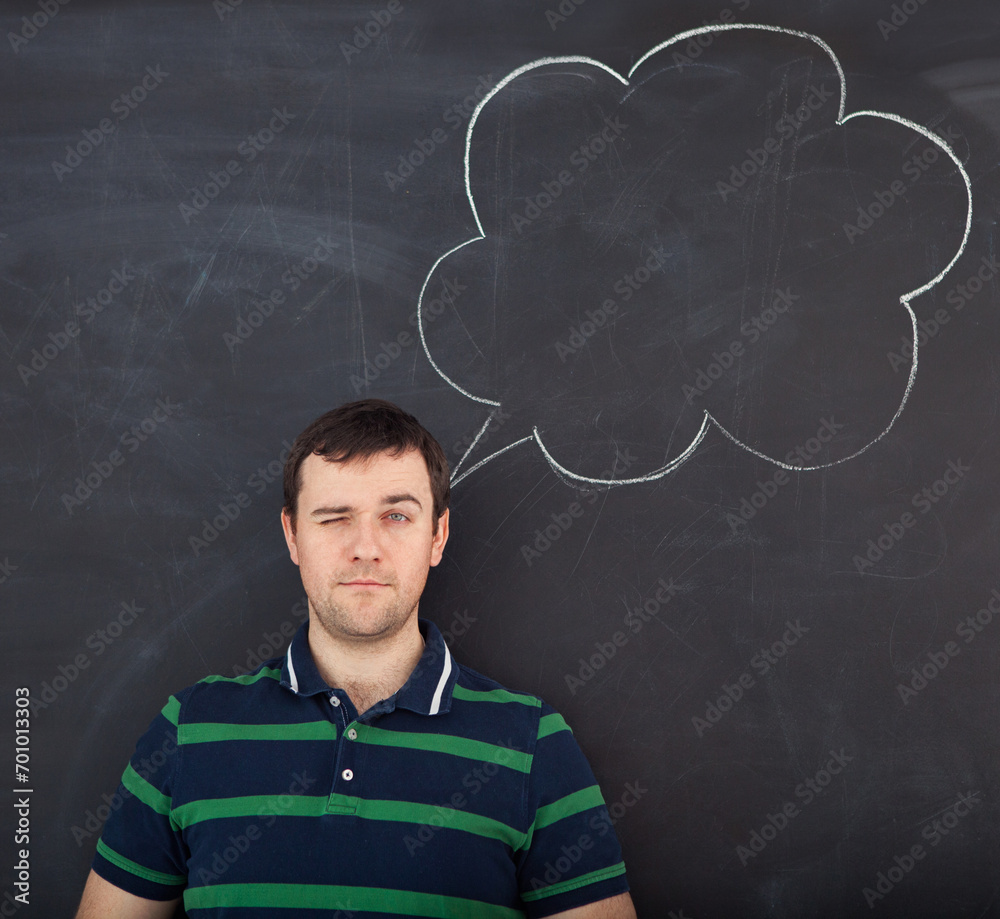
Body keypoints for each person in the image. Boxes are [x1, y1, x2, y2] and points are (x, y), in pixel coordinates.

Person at [76, 399, 636, 918]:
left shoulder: (534, 743)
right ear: (293, 535)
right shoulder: (190, 730)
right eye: (333, 517)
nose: (365, 546)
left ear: (437, 536)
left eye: (396, 516)